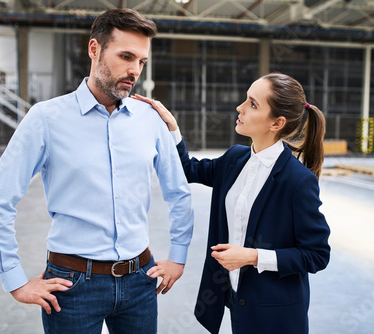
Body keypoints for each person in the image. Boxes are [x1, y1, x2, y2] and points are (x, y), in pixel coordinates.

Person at [0, 8, 194, 334]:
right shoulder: (46, 119)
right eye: (125, 56)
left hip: (140, 281)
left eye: (141, 61)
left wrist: (178, 258)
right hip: (72, 286)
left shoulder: (149, 120)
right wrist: (15, 281)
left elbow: (178, 192)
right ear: (94, 49)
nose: (134, 70)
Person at [134, 72, 331, 334]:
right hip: (237, 301)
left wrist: (252, 257)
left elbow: (317, 255)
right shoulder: (234, 159)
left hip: (277, 314)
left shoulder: (297, 181)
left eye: (252, 104)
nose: (240, 107)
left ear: (277, 123)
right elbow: (188, 169)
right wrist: (172, 127)